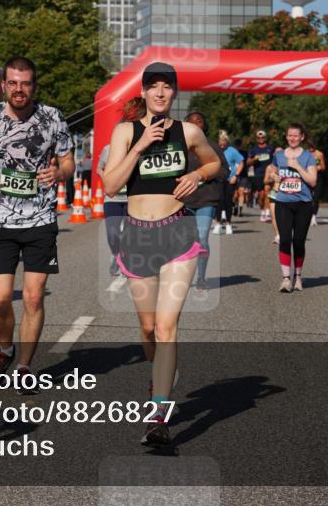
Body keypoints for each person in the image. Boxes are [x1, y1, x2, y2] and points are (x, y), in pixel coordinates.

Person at [102, 62, 220, 447]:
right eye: (152, 86)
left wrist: (197, 176)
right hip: (137, 236)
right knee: (149, 328)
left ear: (174, 93)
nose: (159, 93)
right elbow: (109, 186)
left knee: (168, 327)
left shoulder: (189, 131)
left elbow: (215, 162)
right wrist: (139, 146)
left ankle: (158, 416)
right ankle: (160, 375)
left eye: (166, 87)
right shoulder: (125, 131)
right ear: (143, 92)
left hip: (177, 233)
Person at [0, 56, 74, 391]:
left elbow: (69, 162)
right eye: (13, 83)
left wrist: (58, 172)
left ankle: (25, 367)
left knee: (33, 298)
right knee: (0, 299)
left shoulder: (52, 118)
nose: (19, 89)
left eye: (26, 83)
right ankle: (6, 348)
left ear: (34, 85)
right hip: (1, 220)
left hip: (40, 220)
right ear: (4, 85)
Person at [265, 124, 317, 292]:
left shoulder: (308, 156)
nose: (292, 138)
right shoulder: (279, 156)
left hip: (303, 204)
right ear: (286, 137)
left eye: (296, 136)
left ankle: (298, 276)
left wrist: (297, 167)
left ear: (302, 137)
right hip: (283, 202)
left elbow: (312, 181)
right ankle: (286, 279)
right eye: (289, 135)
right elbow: (272, 172)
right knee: (285, 239)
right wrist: (274, 176)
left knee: (299, 241)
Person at [96, 99, 144, 278]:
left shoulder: (140, 149)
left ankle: (125, 260)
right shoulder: (108, 149)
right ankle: (117, 255)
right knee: (113, 234)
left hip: (132, 198)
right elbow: (99, 168)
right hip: (113, 198)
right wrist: (107, 179)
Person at [183, 111, 228, 292]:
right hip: (183, 200)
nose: (195, 124)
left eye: (199, 121)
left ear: (204, 125)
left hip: (206, 199)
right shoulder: (179, 146)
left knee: (202, 238)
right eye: (191, 122)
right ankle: (184, 276)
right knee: (186, 242)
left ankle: (201, 277)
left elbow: (225, 171)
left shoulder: (213, 147)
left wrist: (203, 175)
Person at [214, 131, 243, 236]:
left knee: (228, 202)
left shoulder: (232, 151)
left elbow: (241, 163)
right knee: (219, 202)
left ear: (227, 142)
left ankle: (229, 224)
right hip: (218, 179)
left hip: (230, 179)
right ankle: (217, 223)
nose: (222, 144)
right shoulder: (215, 150)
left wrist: (236, 175)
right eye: (220, 142)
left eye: (224, 142)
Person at [248, 129, 274, 222]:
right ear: (257, 139)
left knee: (267, 191)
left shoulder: (270, 148)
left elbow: (275, 159)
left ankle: (267, 212)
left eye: (262, 137)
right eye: (259, 138)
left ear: (265, 138)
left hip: (269, 173)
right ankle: (262, 210)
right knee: (261, 195)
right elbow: (248, 162)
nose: (261, 139)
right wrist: (254, 159)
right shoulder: (254, 149)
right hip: (258, 174)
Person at [309, 142, 326, 225]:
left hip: (317, 177)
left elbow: (323, 167)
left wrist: (316, 168)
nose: (311, 148)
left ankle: (313, 217)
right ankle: (306, 215)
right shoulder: (304, 153)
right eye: (309, 146)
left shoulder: (319, 154)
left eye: (312, 146)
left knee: (316, 198)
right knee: (307, 198)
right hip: (307, 177)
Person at [234, 137, 251, 216]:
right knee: (235, 194)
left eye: (239, 145)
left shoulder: (245, 153)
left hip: (243, 175)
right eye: (237, 145)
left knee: (241, 192)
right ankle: (235, 206)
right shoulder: (232, 152)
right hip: (233, 175)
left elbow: (248, 163)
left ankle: (240, 210)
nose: (238, 146)